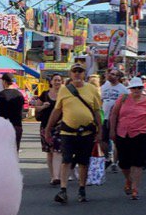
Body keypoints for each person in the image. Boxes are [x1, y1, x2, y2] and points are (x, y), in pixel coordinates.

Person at [46, 63, 101, 205]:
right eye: (74, 71)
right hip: (68, 132)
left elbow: (96, 111)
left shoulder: (92, 90)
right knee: (66, 160)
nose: (77, 74)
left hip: (87, 132)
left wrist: (100, 130)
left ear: (84, 74)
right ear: (70, 74)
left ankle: (82, 188)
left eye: (80, 71)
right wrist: (48, 128)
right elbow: (57, 111)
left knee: (83, 162)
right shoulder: (64, 91)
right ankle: (63, 190)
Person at [109, 76, 146, 200]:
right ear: (130, 89)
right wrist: (112, 130)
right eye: (134, 88)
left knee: (137, 162)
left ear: (142, 89)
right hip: (123, 133)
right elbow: (114, 114)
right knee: (123, 163)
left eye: (138, 88)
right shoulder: (123, 98)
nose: (136, 90)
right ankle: (128, 180)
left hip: (141, 134)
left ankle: (134, 188)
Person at [37, 75, 63, 185]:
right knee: (49, 152)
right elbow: (36, 108)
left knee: (57, 150)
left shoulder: (64, 94)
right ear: (51, 82)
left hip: (60, 126)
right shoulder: (44, 94)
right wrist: (43, 106)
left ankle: (57, 176)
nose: (57, 82)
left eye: (59, 80)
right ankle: (53, 175)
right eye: (55, 80)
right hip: (45, 125)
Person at [100, 68, 127, 171]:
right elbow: (100, 101)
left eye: (113, 74)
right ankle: (107, 157)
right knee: (103, 140)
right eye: (109, 74)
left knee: (116, 140)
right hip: (105, 117)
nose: (110, 76)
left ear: (118, 77)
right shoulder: (103, 87)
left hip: (117, 119)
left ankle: (115, 162)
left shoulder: (123, 89)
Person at [0, 72, 25, 151]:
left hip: (4, 126)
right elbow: (22, 109)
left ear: (4, 82)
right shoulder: (20, 95)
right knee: (15, 150)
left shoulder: (0, 95)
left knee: (3, 151)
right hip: (17, 125)